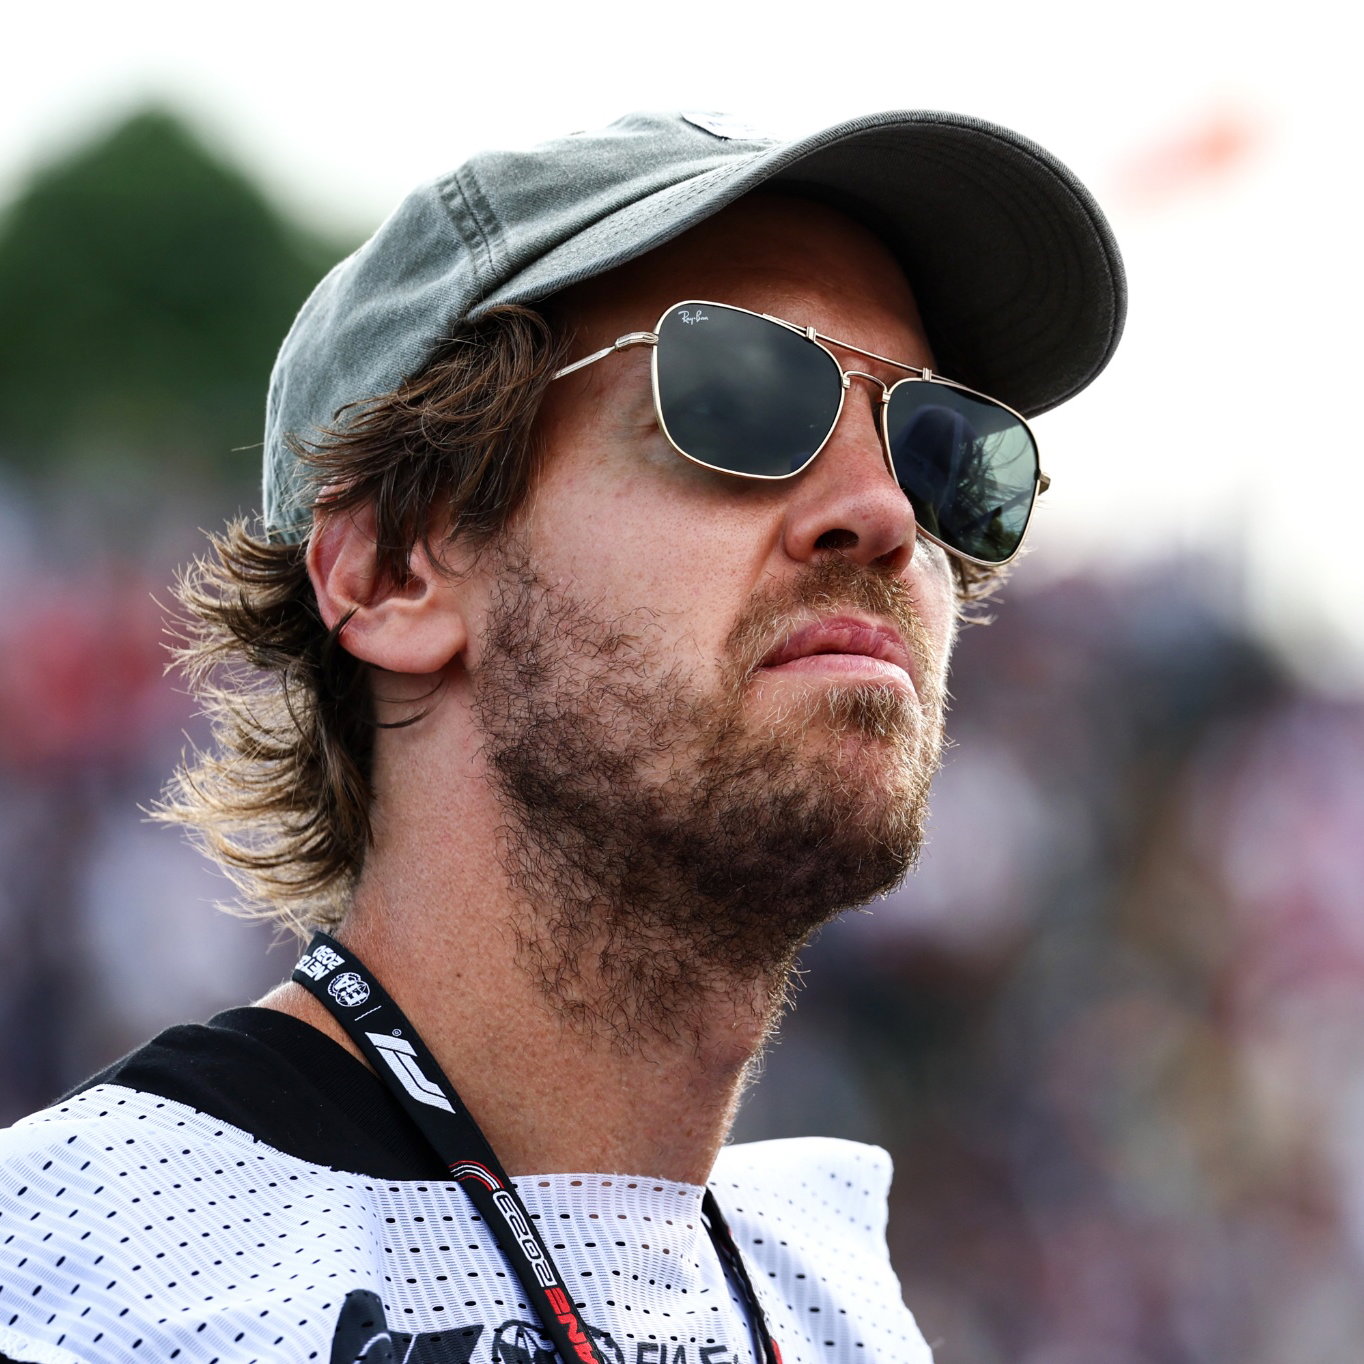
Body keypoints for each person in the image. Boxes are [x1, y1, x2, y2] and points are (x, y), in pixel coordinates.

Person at [0, 109, 1124, 1364]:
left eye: (941, 447)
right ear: (390, 568)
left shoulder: (839, 1307)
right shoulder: (78, 1270)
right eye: (740, 393)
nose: (880, 512)